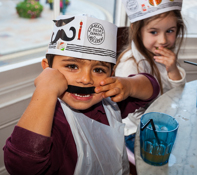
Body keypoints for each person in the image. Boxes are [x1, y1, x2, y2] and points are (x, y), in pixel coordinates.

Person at [3, 14, 160, 175]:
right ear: (47, 68)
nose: (86, 80)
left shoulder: (109, 102)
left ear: (111, 75)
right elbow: (21, 167)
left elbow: (152, 89)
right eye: (72, 66)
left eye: (98, 70)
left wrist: (129, 84)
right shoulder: (52, 122)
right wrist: (45, 91)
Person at [114, 0, 187, 153]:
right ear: (137, 30)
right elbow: (131, 114)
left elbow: (179, 94)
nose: (163, 40)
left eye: (170, 31)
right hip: (135, 132)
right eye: (154, 32)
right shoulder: (129, 65)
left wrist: (173, 70)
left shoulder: (164, 55)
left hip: (162, 120)